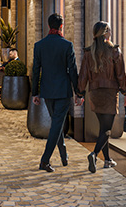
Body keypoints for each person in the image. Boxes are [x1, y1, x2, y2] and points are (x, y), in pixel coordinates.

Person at [31, 13, 82, 173]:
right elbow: (73, 71)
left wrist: (35, 93)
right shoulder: (67, 45)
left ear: (48, 26)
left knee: (56, 124)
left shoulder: (40, 45)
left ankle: (63, 153)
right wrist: (78, 93)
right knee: (56, 124)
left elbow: (35, 71)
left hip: (47, 91)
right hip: (63, 91)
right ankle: (44, 161)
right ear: (61, 26)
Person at [78, 21, 126, 172]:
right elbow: (121, 75)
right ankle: (93, 155)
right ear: (106, 33)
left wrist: (80, 93)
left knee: (103, 128)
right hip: (109, 94)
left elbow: (82, 76)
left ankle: (107, 160)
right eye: (110, 31)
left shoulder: (88, 53)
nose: (111, 33)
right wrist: (125, 92)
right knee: (107, 130)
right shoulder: (114, 51)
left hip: (94, 94)